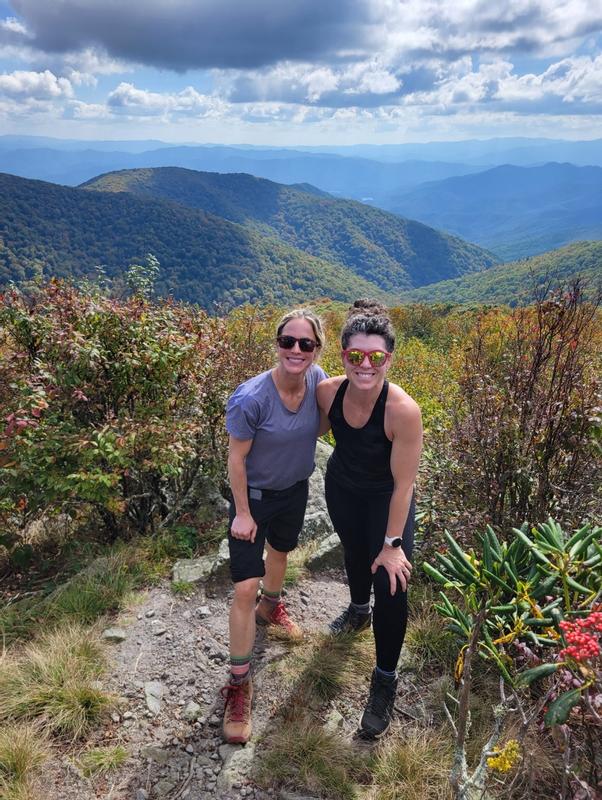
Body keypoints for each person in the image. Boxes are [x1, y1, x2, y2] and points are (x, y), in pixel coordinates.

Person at [317, 299, 422, 738]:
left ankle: (384, 679)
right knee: (356, 555)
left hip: (387, 500)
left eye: (376, 356)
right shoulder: (329, 392)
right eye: (355, 355)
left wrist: (393, 544)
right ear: (341, 355)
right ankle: (359, 611)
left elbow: (404, 485)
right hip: (342, 488)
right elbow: (317, 430)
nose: (365, 364)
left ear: (389, 359)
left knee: (391, 582)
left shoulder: (403, 411)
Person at [221, 308, 327, 744]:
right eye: (288, 342)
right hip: (255, 499)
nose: (296, 351)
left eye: (306, 344)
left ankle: (273, 606)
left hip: (294, 489)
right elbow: (236, 459)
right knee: (245, 586)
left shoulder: (318, 380)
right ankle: (239, 682)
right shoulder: (251, 399)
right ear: (277, 344)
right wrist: (243, 513)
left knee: (280, 554)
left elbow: (327, 420)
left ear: (317, 349)